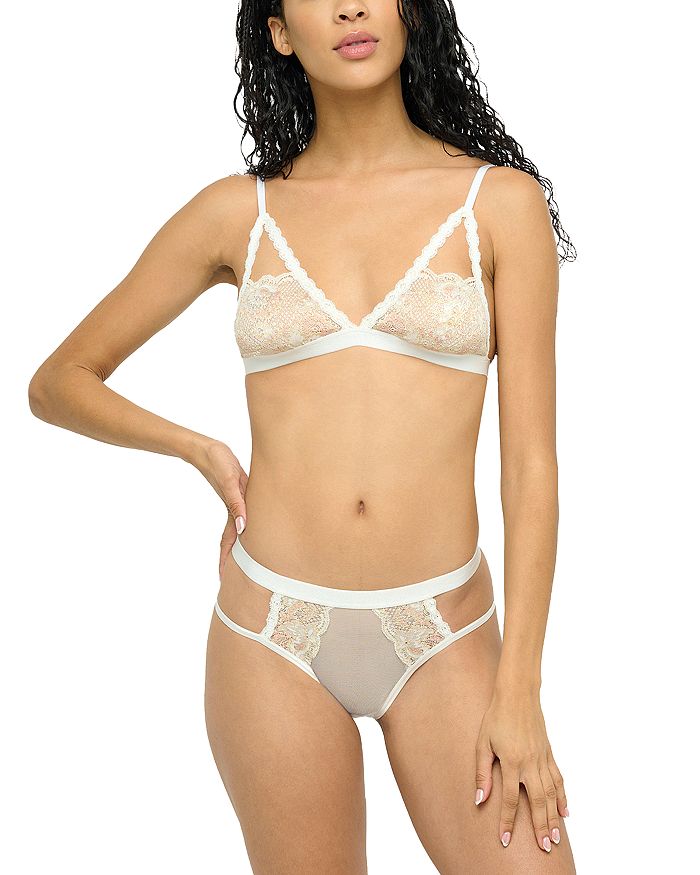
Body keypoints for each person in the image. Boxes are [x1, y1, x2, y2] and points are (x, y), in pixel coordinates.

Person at [29, 0, 578, 871]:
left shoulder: (499, 203)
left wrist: (521, 689)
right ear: (280, 32)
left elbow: (531, 467)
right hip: (269, 632)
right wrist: (199, 448)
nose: (350, 6)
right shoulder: (236, 212)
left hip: (444, 629)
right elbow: (60, 381)